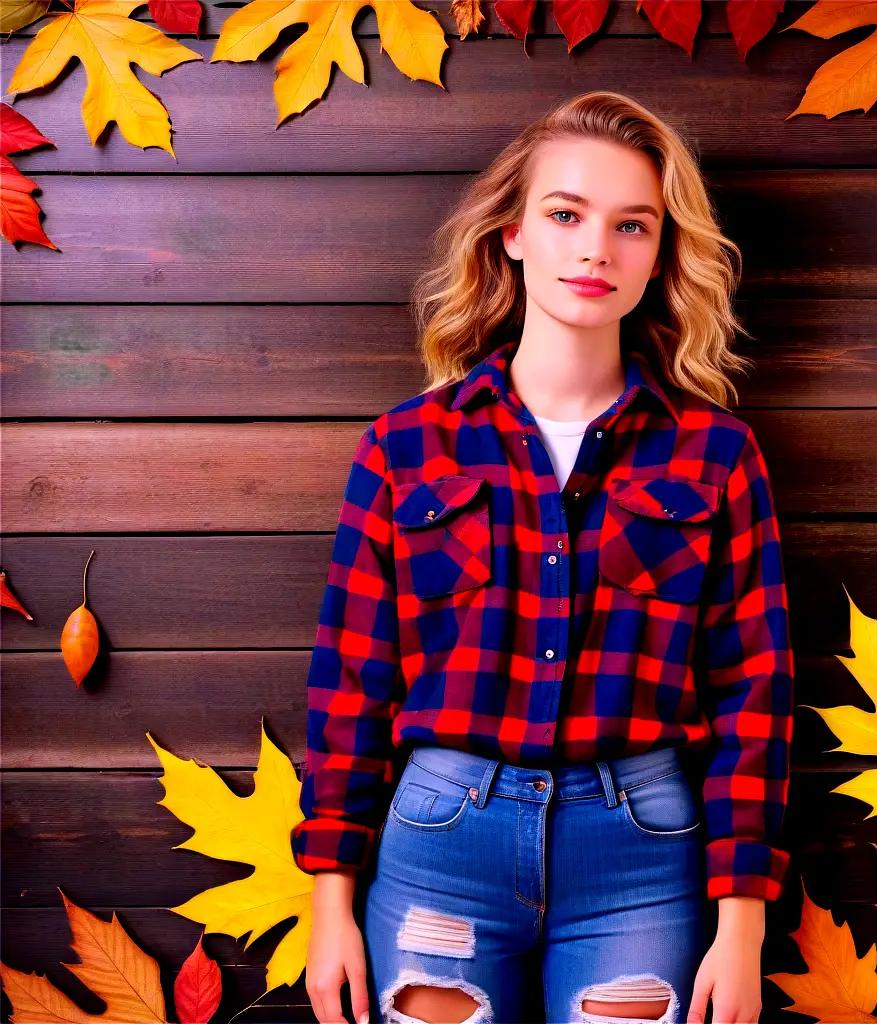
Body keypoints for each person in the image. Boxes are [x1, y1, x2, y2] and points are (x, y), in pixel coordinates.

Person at [291, 90, 795, 1024]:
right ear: (513, 234)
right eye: (565, 214)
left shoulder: (717, 455)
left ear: (661, 253)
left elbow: (751, 699)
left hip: (641, 855)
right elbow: (351, 682)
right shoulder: (405, 448)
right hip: (442, 840)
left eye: (631, 224)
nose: (595, 248)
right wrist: (330, 903)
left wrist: (743, 928)